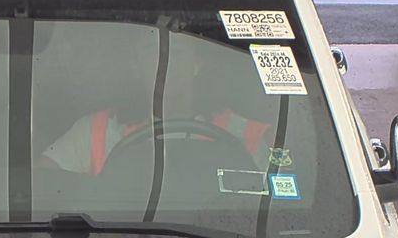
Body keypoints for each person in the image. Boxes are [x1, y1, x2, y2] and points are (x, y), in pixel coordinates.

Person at [39, 47, 278, 175]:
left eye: (179, 54)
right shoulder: (97, 129)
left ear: (196, 65)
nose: (166, 64)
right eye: (155, 53)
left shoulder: (247, 133)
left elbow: (276, 203)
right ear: (136, 66)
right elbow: (43, 182)